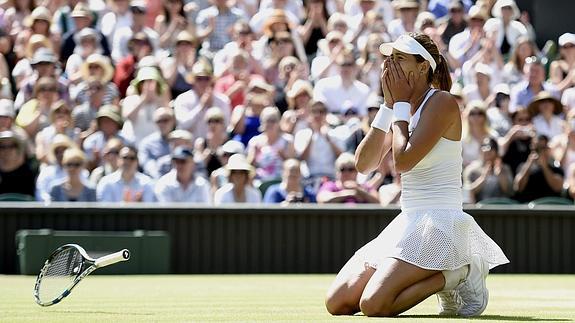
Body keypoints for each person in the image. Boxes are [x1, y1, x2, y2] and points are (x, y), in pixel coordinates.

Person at [325, 33, 508, 317]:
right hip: (408, 221)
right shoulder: (398, 108)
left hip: (441, 224)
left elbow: (403, 161)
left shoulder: (443, 102)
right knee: (337, 302)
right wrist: (388, 107)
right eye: (389, 59)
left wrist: (398, 107)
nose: (390, 66)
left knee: (374, 305)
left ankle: (456, 274)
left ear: (423, 67)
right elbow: (364, 165)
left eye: (400, 58)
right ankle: (449, 274)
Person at [513, 134, 564, 203]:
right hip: (529, 209)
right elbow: (518, 188)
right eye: (537, 149)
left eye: (543, 148)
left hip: (550, 209)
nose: (540, 152)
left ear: (548, 149)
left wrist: (545, 167)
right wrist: (529, 165)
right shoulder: (523, 167)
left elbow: (558, 187)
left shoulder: (556, 168)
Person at [463, 138, 514, 203]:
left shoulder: (504, 169)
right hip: (480, 210)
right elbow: (467, 192)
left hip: (501, 209)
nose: (487, 151)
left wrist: (500, 175)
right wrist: (483, 178)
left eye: (491, 148)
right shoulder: (472, 170)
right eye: (484, 147)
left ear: (496, 152)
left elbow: (510, 192)